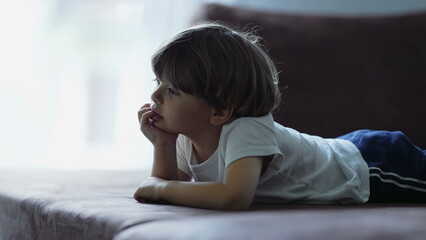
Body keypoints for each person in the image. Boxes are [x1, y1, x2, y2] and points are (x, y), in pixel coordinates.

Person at [134, 22, 426, 210]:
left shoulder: (247, 129)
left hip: (374, 165)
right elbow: (161, 189)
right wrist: (163, 144)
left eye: (172, 90)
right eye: (157, 83)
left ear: (220, 112)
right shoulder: (188, 137)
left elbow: (234, 196)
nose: (155, 97)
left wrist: (163, 188)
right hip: (345, 148)